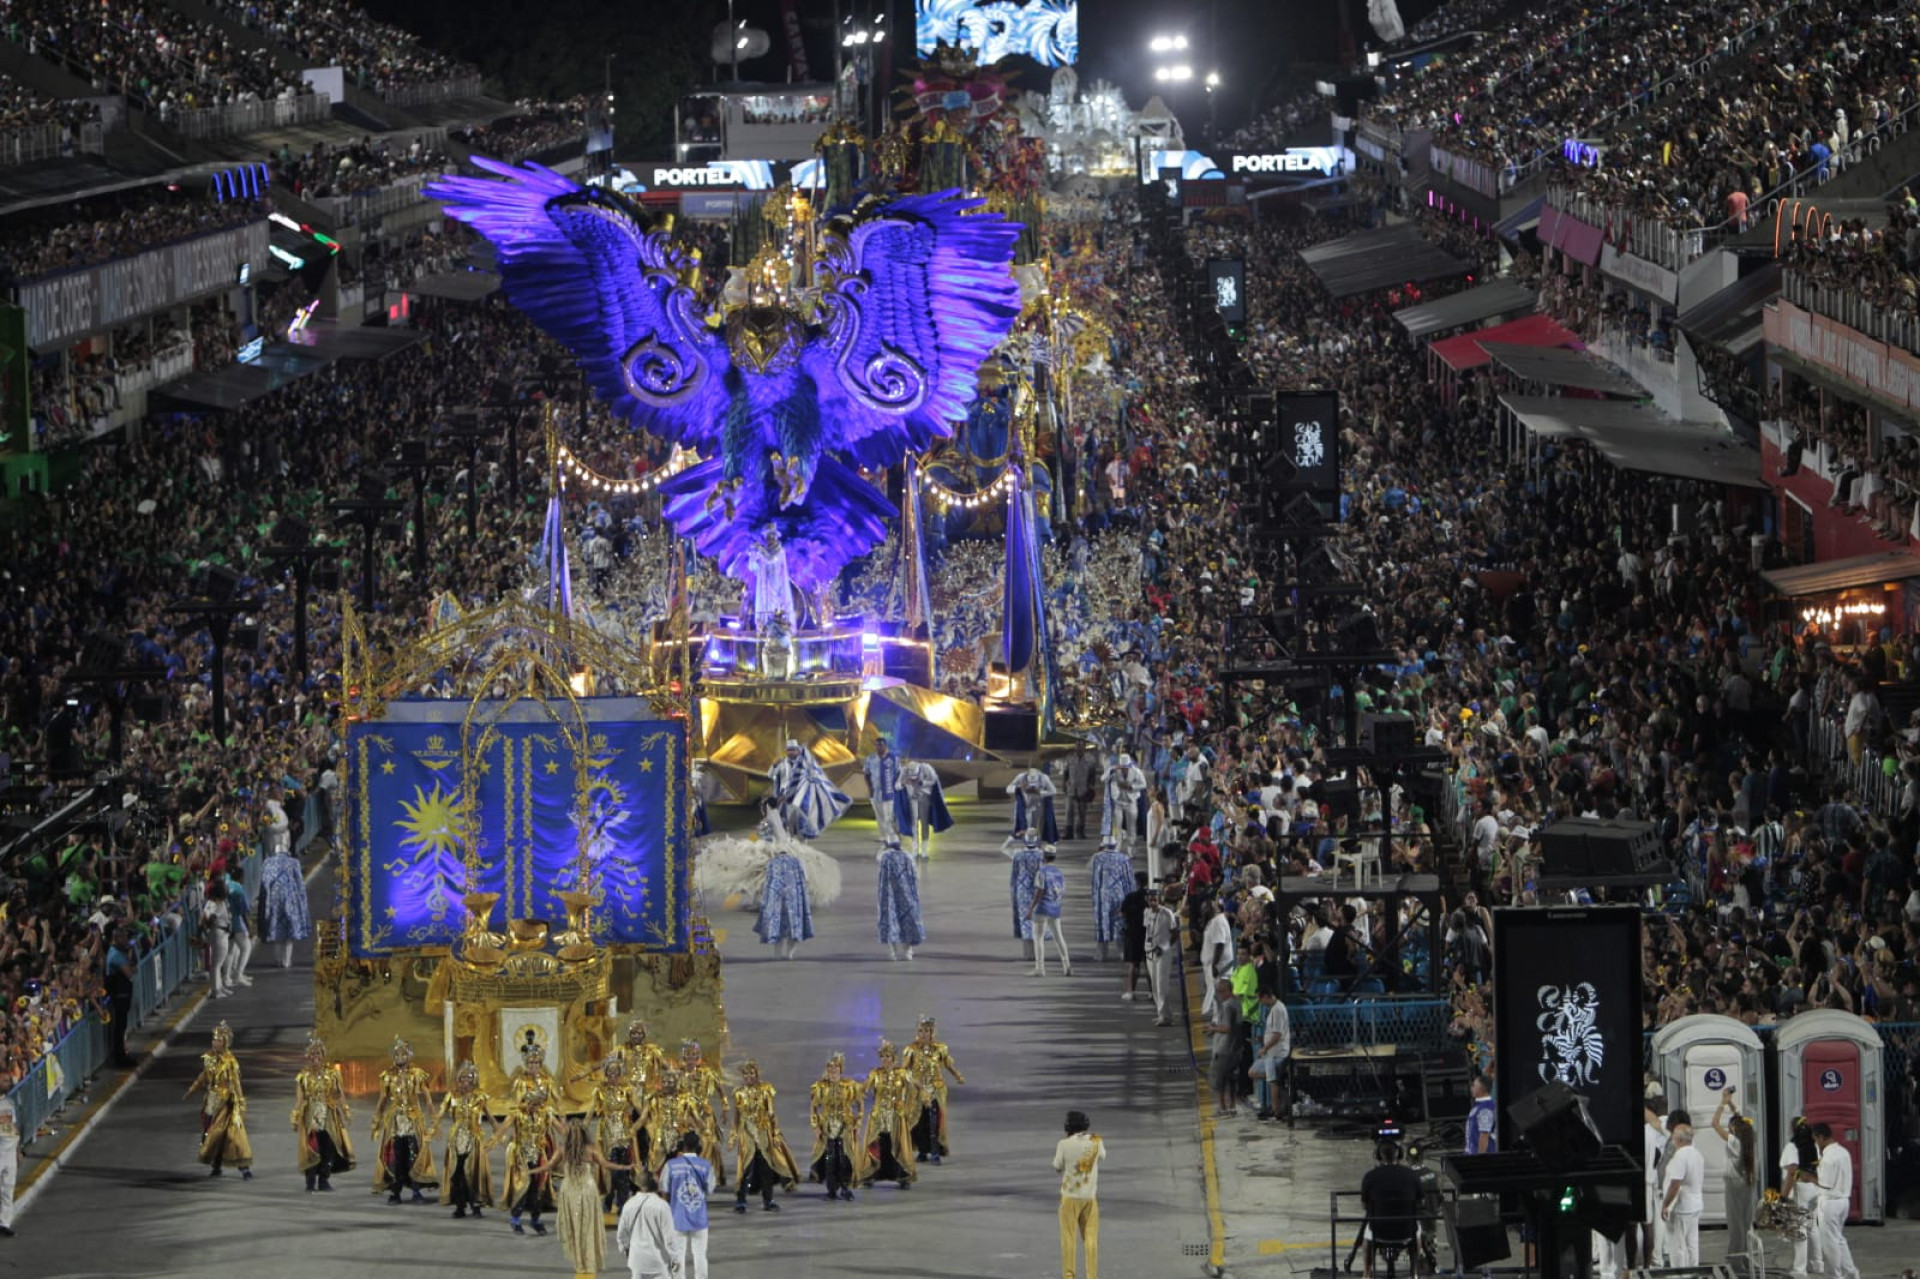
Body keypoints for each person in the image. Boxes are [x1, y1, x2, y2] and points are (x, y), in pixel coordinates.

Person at [533, 1117, 633, 1279]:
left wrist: (532, 1172)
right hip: (587, 1190)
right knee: (588, 1226)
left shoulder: (562, 1149)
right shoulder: (591, 1149)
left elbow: (548, 1167)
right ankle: (589, 1261)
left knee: (574, 1227)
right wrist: (624, 1166)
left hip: (570, 1191)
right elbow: (606, 1165)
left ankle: (579, 1261)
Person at [371, 1036, 438, 1203]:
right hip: (395, 1122)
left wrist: (434, 1120)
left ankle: (416, 1191)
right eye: (397, 1055)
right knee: (396, 1157)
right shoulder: (387, 1076)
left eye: (403, 1054)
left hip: (413, 1120)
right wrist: (376, 1122)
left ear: (409, 1055)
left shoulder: (417, 1075)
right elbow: (382, 1099)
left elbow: (428, 1099)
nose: (400, 1058)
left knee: (415, 1155)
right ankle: (396, 1192)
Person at [729, 1059, 799, 1213]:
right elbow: (736, 1116)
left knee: (766, 1168)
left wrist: (774, 1134)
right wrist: (733, 1134)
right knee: (746, 1168)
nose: (748, 1076)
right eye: (745, 1073)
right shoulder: (738, 1093)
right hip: (746, 1133)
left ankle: (768, 1200)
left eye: (751, 1073)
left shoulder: (766, 1090)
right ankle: (741, 1200)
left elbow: (772, 1114)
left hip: (763, 1133)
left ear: (756, 1074)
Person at [184, 1020, 252, 1179]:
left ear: (225, 1042)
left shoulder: (230, 1063)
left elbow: (236, 1084)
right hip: (211, 1103)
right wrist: (192, 1089)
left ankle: (244, 1168)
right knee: (211, 1136)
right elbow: (203, 1077)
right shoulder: (209, 1058)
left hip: (226, 1103)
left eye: (219, 1040)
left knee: (234, 1136)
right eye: (214, 1039)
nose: (215, 1043)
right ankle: (216, 1165)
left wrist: (241, 1105)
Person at [290, 1034, 354, 1193]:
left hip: (329, 1115)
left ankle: (324, 1180)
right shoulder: (303, 1076)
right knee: (312, 1148)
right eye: (312, 1054)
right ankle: (310, 1181)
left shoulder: (332, 1075)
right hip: (310, 1116)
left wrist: (345, 1111)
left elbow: (340, 1094)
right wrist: (295, 1116)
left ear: (323, 1055)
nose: (315, 1057)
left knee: (328, 1147)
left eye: (318, 1054)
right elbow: (299, 1099)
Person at [436, 1059, 497, 1220]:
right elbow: (440, 1113)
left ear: (474, 1079)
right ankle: (460, 1206)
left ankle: (476, 1205)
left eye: (469, 1078)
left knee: (474, 1172)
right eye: (463, 1078)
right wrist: (434, 1127)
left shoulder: (480, 1096)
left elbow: (490, 1117)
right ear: (458, 1079)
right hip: (456, 1139)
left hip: (474, 1139)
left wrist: (499, 1133)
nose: (466, 1081)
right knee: (457, 1173)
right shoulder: (452, 1096)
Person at [902, 1014, 965, 1164]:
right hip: (918, 1090)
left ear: (932, 1033)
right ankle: (923, 1150)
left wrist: (957, 1075)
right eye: (921, 1031)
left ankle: (935, 1151)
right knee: (919, 1121)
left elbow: (948, 1064)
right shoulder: (911, 1050)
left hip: (936, 1088)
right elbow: (903, 1069)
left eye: (926, 1031)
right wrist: (908, 1080)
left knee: (934, 1119)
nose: (923, 1035)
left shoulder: (940, 1049)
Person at [587, 1056, 644, 1217]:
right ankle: (608, 1200)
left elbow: (639, 1109)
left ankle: (623, 1202)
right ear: (605, 1073)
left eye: (615, 1072)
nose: (612, 1075)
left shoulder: (627, 1090)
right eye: (609, 1072)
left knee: (625, 1169)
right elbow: (592, 1111)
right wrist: (582, 1129)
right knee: (609, 1169)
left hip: (624, 1134)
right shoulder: (600, 1091)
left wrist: (645, 1122)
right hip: (606, 1134)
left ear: (619, 1073)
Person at [1053, 1109, 1105, 1279]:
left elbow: (1057, 1166)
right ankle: (1092, 1276)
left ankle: (1069, 1276)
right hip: (1089, 1198)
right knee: (1090, 1238)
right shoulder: (1096, 1142)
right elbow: (1102, 1156)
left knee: (1068, 1238)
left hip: (1069, 1198)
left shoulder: (1063, 1144)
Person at [1361, 1139, 1424, 1279]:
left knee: (1366, 1239)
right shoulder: (1411, 1175)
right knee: (1417, 1234)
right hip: (1407, 1230)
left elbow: (1365, 1205)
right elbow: (1420, 1202)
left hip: (1379, 1230)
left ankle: (1367, 1274)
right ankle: (1414, 1273)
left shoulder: (1370, 1176)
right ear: (1399, 1155)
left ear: (1379, 1155)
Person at [807, 1052, 866, 1201]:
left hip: (844, 1127)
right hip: (827, 1129)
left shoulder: (850, 1086)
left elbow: (860, 1105)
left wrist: (858, 1123)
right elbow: (813, 1107)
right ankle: (831, 1189)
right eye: (830, 1070)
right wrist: (815, 1126)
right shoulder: (820, 1087)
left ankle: (845, 1187)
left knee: (844, 1158)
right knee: (829, 1160)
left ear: (841, 1070)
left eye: (836, 1069)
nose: (833, 1073)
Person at [860, 1040, 918, 1191]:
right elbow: (864, 1088)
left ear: (894, 1058)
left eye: (888, 1056)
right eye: (883, 1056)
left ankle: (902, 1175)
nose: (885, 1059)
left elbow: (913, 1088)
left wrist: (910, 1106)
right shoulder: (875, 1074)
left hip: (896, 1116)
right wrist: (857, 1092)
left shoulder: (902, 1074)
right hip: (878, 1115)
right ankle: (871, 1173)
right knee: (877, 1144)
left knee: (897, 1144)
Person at [1711, 1088, 1759, 1275]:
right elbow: (1740, 1120)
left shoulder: (1734, 1141)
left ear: (1733, 1129)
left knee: (1735, 1223)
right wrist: (1731, 1103)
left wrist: (1722, 1103)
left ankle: (1735, 1261)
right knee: (1746, 1222)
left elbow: (1714, 1123)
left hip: (1734, 1183)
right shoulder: (1749, 1138)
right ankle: (1746, 1258)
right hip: (1748, 1182)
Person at [503, 1081, 560, 1235]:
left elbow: (560, 1129)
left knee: (538, 1188)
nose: (535, 1107)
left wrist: (575, 1137)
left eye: (537, 1104)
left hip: (539, 1155)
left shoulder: (545, 1114)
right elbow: (502, 1129)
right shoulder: (517, 1114)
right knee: (522, 1186)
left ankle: (535, 1219)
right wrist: (491, 1143)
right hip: (521, 1155)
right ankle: (515, 1219)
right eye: (532, 1104)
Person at [766, 739, 850, 838]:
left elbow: (813, 778)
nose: (791, 752)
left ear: (798, 751)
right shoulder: (781, 764)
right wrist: (774, 765)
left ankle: (802, 845)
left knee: (801, 822)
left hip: (799, 797)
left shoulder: (805, 764)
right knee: (784, 823)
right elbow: (770, 775)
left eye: (793, 750)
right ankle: (787, 845)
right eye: (789, 750)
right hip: (784, 797)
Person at [754, 829, 814, 959]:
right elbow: (805, 880)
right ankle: (790, 953)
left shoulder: (772, 863)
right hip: (793, 899)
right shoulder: (797, 862)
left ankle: (777, 952)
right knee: (795, 926)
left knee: (778, 927)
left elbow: (767, 883)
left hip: (777, 899)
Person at [1811, 1122, 1861, 1279]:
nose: (1815, 1144)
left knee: (1829, 1244)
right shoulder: (1843, 1152)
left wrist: (1809, 1178)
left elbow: (1825, 1184)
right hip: (1844, 1201)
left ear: (1821, 1137)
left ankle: (1834, 1275)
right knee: (1838, 1239)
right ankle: (1851, 1272)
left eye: (1815, 1140)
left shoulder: (1828, 1158)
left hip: (1830, 1203)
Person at [663, 1134, 714, 1279]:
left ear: (682, 1146)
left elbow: (664, 1191)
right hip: (699, 1219)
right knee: (700, 1255)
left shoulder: (670, 1165)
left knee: (676, 1255)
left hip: (677, 1219)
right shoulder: (705, 1165)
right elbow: (710, 1189)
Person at [1659, 1109, 1704, 1267]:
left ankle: (1679, 1274)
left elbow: (1675, 1185)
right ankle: (1693, 1271)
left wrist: (1666, 1205)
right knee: (1692, 1244)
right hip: (1695, 1204)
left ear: (1677, 1138)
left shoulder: (1680, 1156)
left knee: (1677, 1246)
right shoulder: (1696, 1153)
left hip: (1681, 1207)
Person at [1781, 1116, 1825, 1279]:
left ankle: (1799, 1270)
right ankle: (1817, 1264)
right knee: (1812, 1226)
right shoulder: (1814, 1144)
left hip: (1801, 1190)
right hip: (1814, 1188)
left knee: (1799, 1229)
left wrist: (1783, 1198)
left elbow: (1792, 1173)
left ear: (1793, 1129)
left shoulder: (1792, 1146)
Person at [260, 833, 311, 969]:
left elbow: (264, 884)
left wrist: (264, 905)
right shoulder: (294, 863)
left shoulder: (267, 863)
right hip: (290, 899)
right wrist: (303, 905)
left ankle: (277, 960)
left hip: (273, 900)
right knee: (289, 932)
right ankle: (287, 961)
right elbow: (300, 885)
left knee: (276, 929)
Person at [616, 1183, 684, 1279]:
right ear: (657, 1188)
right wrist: (675, 1260)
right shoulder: (662, 1206)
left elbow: (621, 1235)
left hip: (637, 1261)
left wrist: (625, 1251)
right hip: (658, 1262)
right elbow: (670, 1239)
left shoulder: (628, 1205)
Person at [895, 754, 952, 863]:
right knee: (913, 824)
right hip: (911, 798)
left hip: (924, 797)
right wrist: (903, 783)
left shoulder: (926, 768)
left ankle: (925, 849)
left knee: (924, 823)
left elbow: (934, 780)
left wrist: (922, 783)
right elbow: (896, 786)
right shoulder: (904, 770)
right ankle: (915, 849)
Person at [876, 837, 925, 961]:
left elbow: (878, 859)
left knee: (890, 921)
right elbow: (915, 875)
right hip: (906, 894)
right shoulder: (908, 857)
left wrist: (881, 848)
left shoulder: (885, 857)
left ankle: (893, 952)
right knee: (908, 921)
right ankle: (908, 950)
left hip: (889, 895)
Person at [1026, 847, 1074, 977]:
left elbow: (1039, 891)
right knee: (1059, 937)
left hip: (1043, 908)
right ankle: (1066, 965)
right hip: (1055, 907)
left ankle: (1040, 968)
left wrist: (1031, 908)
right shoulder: (1059, 872)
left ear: (1044, 857)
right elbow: (1062, 890)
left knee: (1038, 938)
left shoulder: (1041, 872)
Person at [1249, 988, 1291, 1120]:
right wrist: (1261, 1039)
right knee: (1256, 1073)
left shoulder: (1277, 1010)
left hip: (1276, 1053)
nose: (1260, 1002)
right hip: (1273, 1052)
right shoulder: (1274, 1009)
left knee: (1272, 1081)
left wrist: (1265, 1048)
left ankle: (1276, 1111)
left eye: (1260, 999)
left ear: (1267, 996)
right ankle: (1278, 1105)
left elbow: (1277, 1034)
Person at [1005, 829, 1047, 961]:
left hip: (1022, 889)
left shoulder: (1019, 855)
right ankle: (1037, 950)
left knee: (1025, 920)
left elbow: (1004, 849)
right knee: (1037, 919)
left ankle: (1028, 952)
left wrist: (1012, 838)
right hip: (1037, 889)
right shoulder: (1042, 855)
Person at [1087, 840, 1132, 962]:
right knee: (1120, 923)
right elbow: (1128, 880)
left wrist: (1094, 896)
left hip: (1103, 895)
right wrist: (1130, 897)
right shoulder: (1124, 858)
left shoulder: (1098, 858)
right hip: (1119, 894)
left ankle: (1102, 953)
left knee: (1102, 923)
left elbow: (1095, 879)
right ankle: (1123, 952)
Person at [744, 524, 793, 631]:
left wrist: (759, 548)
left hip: (775, 582)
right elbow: (753, 567)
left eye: (772, 536)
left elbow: (771, 558)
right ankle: (764, 626)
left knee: (774, 602)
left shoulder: (779, 551)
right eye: (768, 537)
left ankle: (776, 626)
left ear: (776, 537)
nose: (770, 539)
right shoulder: (762, 552)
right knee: (764, 603)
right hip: (764, 584)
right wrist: (752, 555)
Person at [1204, 977, 1242, 1117]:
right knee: (1232, 1079)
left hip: (1224, 1049)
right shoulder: (1237, 1003)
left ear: (1228, 991)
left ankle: (1222, 1107)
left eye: (1221, 992)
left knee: (1218, 1080)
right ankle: (1232, 1106)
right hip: (1236, 1049)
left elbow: (1227, 1028)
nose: (1219, 995)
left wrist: (1213, 1029)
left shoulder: (1227, 1006)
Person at [1145, 887, 1180, 1027]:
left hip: (1162, 953)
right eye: (1150, 899)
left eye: (1155, 899)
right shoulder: (1146, 913)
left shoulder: (1167, 913)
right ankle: (1161, 1014)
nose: (1153, 902)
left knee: (1161, 985)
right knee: (1154, 984)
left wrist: (1165, 946)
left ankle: (1166, 1016)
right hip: (1150, 952)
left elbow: (1175, 933)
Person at [103, 924, 137, 1067]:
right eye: (123, 937)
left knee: (121, 1026)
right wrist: (130, 957)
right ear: (116, 938)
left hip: (122, 994)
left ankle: (121, 1053)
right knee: (119, 1026)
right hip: (119, 994)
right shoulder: (116, 955)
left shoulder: (117, 952)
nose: (126, 940)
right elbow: (130, 972)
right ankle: (119, 1056)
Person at [1102, 753, 1148, 855]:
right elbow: (1103, 779)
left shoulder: (1136, 771)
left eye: (1126, 768)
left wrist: (1131, 787)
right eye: (1122, 767)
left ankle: (1131, 851)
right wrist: (1112, 771)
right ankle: (1116, 849)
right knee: (1117, 826)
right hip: (1118, 801)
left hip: (1131, 801)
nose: (1124, 770)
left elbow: (1144, 784)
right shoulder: (1115, 771)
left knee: (1131, 827)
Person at [1008, 763, 1061, 843]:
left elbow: (1053, 791)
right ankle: (1027, 843)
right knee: (1025, 826)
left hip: (1039, 806)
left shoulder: (1044, 778)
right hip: (1025, 806)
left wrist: (1040, 792)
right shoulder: (1021, 777)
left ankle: (1038, 843)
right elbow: (1008, 788)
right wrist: (1018, 788)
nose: (1031, 787)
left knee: (1039, 828)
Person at [863, 735, 902, 844]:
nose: (878, 748)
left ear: (885, 746)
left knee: (889, 816)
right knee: (879, 816)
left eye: (881, 745)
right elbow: (866, 774)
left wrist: (897, 785)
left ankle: (894, 836)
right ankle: (884, 836)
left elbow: (899, 772)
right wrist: (869, 787)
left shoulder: (893, 758)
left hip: (889, 792)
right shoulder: (871, 759)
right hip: (875, 793)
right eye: (877, 745)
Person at [1119, 871, 1152, 999]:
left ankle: (1131, 991)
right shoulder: (1151, 896)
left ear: (1136, 882)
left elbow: (1122, 913)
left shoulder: (1130, 896)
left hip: (1133, 933)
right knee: (1149, 964)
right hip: (1148, 933)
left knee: (1134, 963)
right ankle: (1152, 992)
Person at [200, 878, 233, 999]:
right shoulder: (214, 904)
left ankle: (219, 986)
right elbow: (207, 917)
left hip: (223, 933)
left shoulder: (220, 902)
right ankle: (215, 989)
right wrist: (209, 922)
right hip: (218, 932)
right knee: (216, 964)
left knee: (220, 961)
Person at [223, 866, 254, 990]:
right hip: (237, 923)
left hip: (227, 921)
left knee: (230, 950)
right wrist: (249, 926)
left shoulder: (228, 884)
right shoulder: (239, 890)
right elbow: (244, 911)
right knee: (246, 948)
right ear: (240, 877)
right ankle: (238, 974)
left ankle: (226, 977)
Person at [1062, 742, 1100, 840]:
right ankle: (1069, 832)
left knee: (1082, 812)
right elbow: (1066, 772)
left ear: (1084, 748)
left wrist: (1091, 787)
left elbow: (1092, 774)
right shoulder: (1070, 758)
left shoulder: (1090, 759)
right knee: (1069, 810)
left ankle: (1080, 832)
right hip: (1071, 787)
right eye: (1077, 747)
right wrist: (1064, 784)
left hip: (1083, 788)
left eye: (1081, 747)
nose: (1079, 749)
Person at [0, 1087, 18, 1236]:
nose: (8, 1084)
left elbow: (13, 1126)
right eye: (4, 1080)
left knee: (8, 1187)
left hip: (10, 1151)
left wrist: (18, 1150)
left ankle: (4, 1223)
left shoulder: (9, 1103)